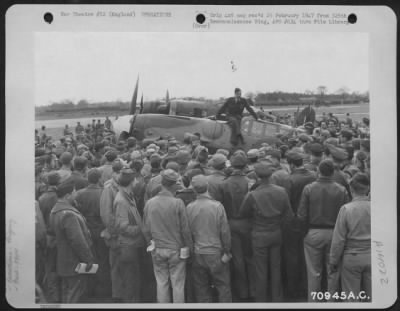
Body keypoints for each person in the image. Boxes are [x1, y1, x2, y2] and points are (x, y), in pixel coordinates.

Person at [240, 162, 293, 302]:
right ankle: (277, 299)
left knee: (260, 270)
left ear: (257, 176)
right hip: (276, 232)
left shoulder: (253, 194)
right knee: (276, 267)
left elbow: (243, 213)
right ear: (271, 174)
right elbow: (289, 215)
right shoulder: (281, 191)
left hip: (259, 233)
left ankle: (261, 300)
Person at [297, 160, 350, 302]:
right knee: (333, 271)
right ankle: (331, 303)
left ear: (318, 171)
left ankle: (313, 303)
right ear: (333, 172)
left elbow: (301, 215)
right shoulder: (341, 189)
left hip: (313, 232)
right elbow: (346, 215)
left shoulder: (308, 188)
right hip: (335, 234)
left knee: (314, 273)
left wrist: (305, 232)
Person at [143, 169, 193, 303]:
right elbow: (185, 230)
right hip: (176, 250)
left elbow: (146, 229)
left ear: (162, 183)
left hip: (158, 248)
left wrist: (150, 244)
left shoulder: (150, 203)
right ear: (174, 184)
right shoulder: (178, 203)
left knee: (161, 283)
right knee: (178, 284)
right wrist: (190, 248)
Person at [187, 175, 232, 303]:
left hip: (198, 253)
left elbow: (187, 232)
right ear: (208, 187)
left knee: (201, 288)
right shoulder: (217, 206)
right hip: (216, 253)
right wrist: (227, 251)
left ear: (194, 190)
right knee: (223, 286)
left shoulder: (189, 207)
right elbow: (225, 232)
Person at [49, 179, 95, 303]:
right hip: (73, 262)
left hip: (63, 262)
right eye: (74, 192)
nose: (76, 194)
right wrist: (88, 259)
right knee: (74, 295)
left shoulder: (55, 211)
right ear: (67, 195)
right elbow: (77, 241)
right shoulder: (69, 214)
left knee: (67, 292)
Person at [218, 151, 254, 301]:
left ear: (232, 165)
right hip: (248, 223)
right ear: (245, 165)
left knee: (238, 259)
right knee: (250, 257)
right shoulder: (250, 182)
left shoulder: (224, 183)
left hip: (231, 223)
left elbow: (221, 207)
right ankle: (253, 291)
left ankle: (242, 292)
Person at [329, 173, 371, 302]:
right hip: (372, 255)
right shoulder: (376, 208)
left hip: (351, 256)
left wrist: (333, 261)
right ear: (368, 188)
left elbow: (339, 239)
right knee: (372, 299)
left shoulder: (346, 209)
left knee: (351, 299)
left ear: (351, 190)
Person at [74, 168, 111, 299]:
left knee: (88, 259)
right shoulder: (104, 193)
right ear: (99, 179)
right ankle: (103, 290)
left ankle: (89, 290)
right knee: (103, 260)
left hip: (86, 231)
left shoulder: (78, 194)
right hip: (101, 230)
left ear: (88, 179)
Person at [113, 168, 146, 302]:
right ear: (130, 181)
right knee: (130, 282)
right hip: (128, 246)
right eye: (135, 179)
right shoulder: (121, 200)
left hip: (132, 245)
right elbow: (123, 226)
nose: (137, 181)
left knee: (134, 280)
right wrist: (142, 228)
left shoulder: (128, 195)